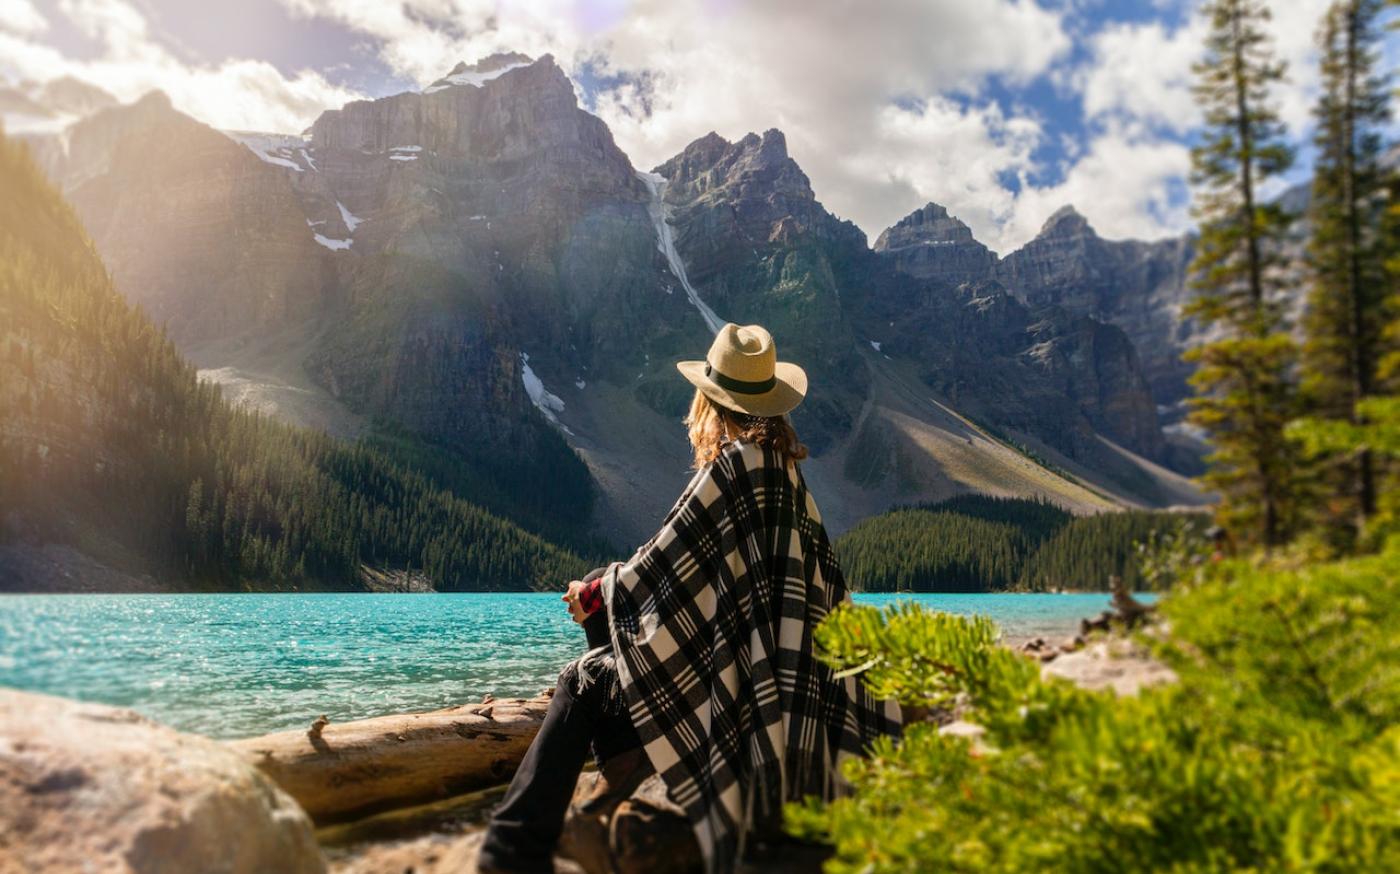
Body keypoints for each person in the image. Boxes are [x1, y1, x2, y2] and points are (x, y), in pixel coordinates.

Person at [478, 323, 902, 874]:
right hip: (785, 682)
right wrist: (607, 585)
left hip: (737, 687)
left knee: (580, 679)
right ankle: (619, 783)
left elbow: (655, 569)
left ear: (710, 401)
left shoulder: (731, 468)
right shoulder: (786, 475)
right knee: (608, 613)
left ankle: (510, 853)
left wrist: (593, 593)